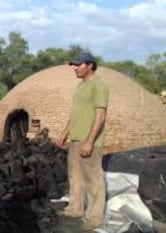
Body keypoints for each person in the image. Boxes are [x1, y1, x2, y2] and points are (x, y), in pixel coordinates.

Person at [56, 52, 109, 231]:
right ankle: (75, 208)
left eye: (78, 65)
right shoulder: (80, 86)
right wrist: (65, 131)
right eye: (74, 65)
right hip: (75, 139)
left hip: (89, 141)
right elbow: (76, 112)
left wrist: (90, 141)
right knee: (75, 177)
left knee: (94, 180)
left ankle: (94, 218)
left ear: (90, 65)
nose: (75, 68)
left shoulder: (98, 86)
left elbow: (100, 116)